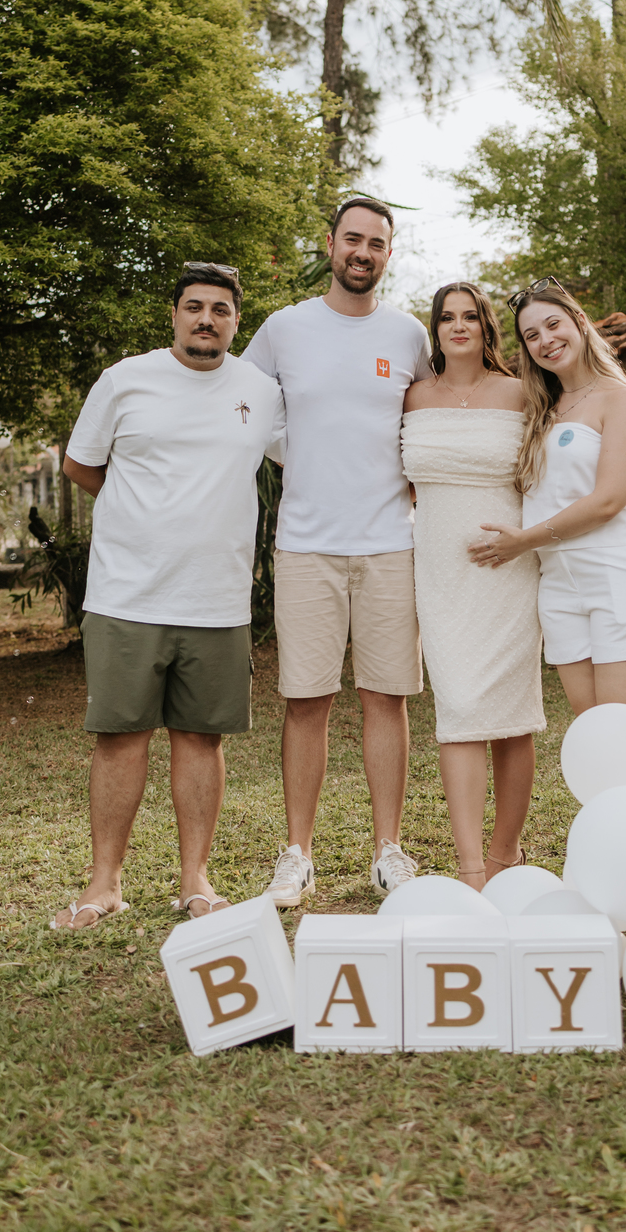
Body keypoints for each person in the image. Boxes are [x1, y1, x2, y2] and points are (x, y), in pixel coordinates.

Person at [52, 262, 285, 929]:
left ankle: (195, 881)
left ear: (236, 321)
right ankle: (104, 884)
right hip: (127, 596)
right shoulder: (125, 379)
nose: (206, 319)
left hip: (217, 599)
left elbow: (306, 458)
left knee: (202, 739)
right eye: (194, 306)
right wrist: (141, 513)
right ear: (174, 314)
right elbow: (79, 464)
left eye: (220, 309)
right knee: (120, 739)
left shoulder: (261, 391)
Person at [242, 196, 432, 905]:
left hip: (391, 545)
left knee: (387, 697)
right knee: (306, 700)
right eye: (353, 239)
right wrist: (297, 454)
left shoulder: (409, 334)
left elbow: (427, 422)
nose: (362, 252)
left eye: (376, 243)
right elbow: (244, 405)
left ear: (388, 254)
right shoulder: (284, 328)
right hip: (306, 547)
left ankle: (389, 851)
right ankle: (297, 854)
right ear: (330, 244)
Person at [469, 278, 626, 716]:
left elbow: (609, 500)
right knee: (592, 729)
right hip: (559, 582)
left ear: (580, 321)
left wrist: (523, 541)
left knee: (623, 727)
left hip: (621, 570)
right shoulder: (540, 410)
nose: (545, 340)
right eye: (531, 335)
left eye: (553, 324)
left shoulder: (620, 399)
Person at [401, 282, 545, 890]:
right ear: (435, 329)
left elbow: (548, 476)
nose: (458, 326)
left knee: (511, 715)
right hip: (439, 571)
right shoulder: (413, 396)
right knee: (457, 709)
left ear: (487, 326)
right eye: (447, 318)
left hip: (508, 571)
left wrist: (525, 540)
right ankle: (469, 868)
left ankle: (504, 854)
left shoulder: (520, 392)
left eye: (470, 316)